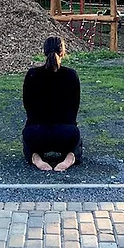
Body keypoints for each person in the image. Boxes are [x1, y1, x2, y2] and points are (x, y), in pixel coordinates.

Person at [22, 36, 82, 171]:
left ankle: (36, 158)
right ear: (62, 52)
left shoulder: (32, 74)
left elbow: (27, 105)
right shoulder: (71, 75)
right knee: (76, 138)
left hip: (36, 133)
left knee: (27, 139)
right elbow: (75, 107)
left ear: (44, 52)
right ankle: (70, 157)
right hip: (66, 134)